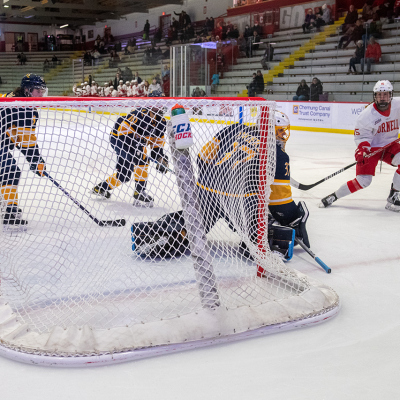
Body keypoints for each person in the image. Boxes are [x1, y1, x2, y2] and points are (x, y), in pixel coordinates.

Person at [131, 112, 310, 259]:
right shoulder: (277, 154)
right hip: (240, 202)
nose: (282, 136)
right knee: (263, 225)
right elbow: (280, 202)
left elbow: (203, 156)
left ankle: (160, 231)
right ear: (272, 131)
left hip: (208, 191)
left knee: (194, 224)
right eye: (280, 132)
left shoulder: (233, 129)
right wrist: (293, 218)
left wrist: (213, 182)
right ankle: (261, 242)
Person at [320, 80, 400, 212]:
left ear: (391, 94)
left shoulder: (398, 104)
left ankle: (395, 194)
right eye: (379, 95)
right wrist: (362, 151)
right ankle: (334, 196)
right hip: (372, 149)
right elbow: (362, 137)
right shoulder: (366, 116)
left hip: (390, 145)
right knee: (363, 181)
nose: (382, 97)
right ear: (374, 96)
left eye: (385, 94)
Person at [91, 108, 168, 207]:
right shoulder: (140, 115)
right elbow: (122, 133)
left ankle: (101, 188)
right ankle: (139, 191)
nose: (161, 106)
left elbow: (157, 145)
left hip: (135, 144)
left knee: (124, 176)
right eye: (158, 104)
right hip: (119, 139)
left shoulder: (161, 123)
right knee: (141, 156)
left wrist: (160, 159)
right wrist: (135, 144)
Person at [1, 74, 48, 229]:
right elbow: (27, 141)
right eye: (38, 90)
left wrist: (35, 160)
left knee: (10, 170)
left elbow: (20, 138)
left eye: (42, 90)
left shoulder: (11, 97)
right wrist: (36, 161)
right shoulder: (25, 109)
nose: (41, 94)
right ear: (27, 90)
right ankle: (10, 212)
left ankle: (10, 211)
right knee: (10, 169)